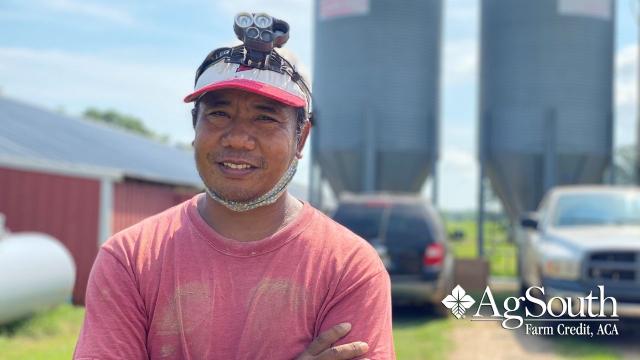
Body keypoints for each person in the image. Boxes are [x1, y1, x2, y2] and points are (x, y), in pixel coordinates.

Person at [74, 12, 394, 360]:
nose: (239, 139)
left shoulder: (348, 267)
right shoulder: (131, 260)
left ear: (301, 139)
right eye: (219, 114)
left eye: (265, 117)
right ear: (195, 126)